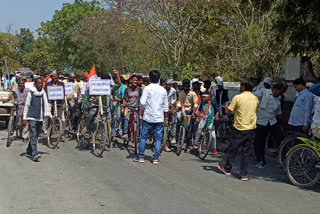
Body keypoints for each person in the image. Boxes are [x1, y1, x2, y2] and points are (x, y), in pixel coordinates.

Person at [218, 79, 259, 181]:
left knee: (233, 149)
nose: (240, 88)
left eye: (241, 86)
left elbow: (228, 112)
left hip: (240, 127)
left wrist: (226, 107)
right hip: (251, 128)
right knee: (246, 152)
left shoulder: (238, 97)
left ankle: (227, 168)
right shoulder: (255, 98)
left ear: (244, 87)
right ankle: (244, 174)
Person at [134, 70, 168, 164]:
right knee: (158, 138)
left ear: (149, 78)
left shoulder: (147, 89)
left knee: (143, 137)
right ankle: (155, 158)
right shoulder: (163, 90)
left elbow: (142, 102)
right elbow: (166, 106)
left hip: (148, 117)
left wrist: (142, 110)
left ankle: (141, 157)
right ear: (159, 78)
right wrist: (166, 118)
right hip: (159, 118)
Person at [253, 83, 284, 168]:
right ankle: (260, 160)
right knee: (259, 142)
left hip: (272, 121)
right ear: (275, 89)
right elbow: (253, 96)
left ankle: (283, 159)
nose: (279, 94)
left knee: (280, 138)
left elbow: (279, 112)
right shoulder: (264, 92)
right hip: (261, 121)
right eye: (279, 92)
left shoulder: (278, 99)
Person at [23, 78, 53, 161]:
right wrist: (24, 117)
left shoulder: (43, 93)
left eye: (41, 83)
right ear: (35, 84)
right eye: (39, 83)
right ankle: (34, 153)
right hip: (31, 116)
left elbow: (46, 105)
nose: (40, 85)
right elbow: (27, 105)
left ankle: (29, 150)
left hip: (40, 117)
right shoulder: (31, 93)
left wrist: (50, 116)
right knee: (33, 134)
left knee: (36, 135)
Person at [172, 79, 198, 149]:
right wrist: (175, 110)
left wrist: (193, 113)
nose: (186, 91)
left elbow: (195, 104)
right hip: (182, 110)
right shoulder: (181, 93)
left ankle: (188, 142)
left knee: (189, 128)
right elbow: (179, 103)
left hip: (190, 111)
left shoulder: (193, 94)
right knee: (177, 120)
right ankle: (175, 136)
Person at [44, 70, 66, 141]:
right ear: (51, 77)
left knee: (62, 119)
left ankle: (62, 133)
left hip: (59, 103)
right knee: (46, 116)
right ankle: (46, 130)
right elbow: (45, 93)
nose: (55, 78)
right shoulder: (47, 84)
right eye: (53, 77)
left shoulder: (61, 84)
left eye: (56, 77)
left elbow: (63, 93)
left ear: (58, 77)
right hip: (50, 102)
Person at [122, 75, 143, 140]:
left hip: (136, 108)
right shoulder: (127, 89)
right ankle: (125, 133)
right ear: (131, 81)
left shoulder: (139, 89)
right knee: (126, 118)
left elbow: (142, 98)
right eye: (134, 80)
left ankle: (138, 135)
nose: (135, 81)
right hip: (128, 107)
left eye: (136, 80)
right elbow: (125, 99)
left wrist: (141, 107)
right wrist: (124, 105)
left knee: (139, 121)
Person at [14, 79, 30, 143]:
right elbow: (12, 97)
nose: (21, 85)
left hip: (27, 109)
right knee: (20, 124)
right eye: (20, 84)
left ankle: (25, 137)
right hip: (19, 109)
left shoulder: (28, 91)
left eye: (22, 83)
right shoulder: (16, 91)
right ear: (18, 84)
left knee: (26, 124)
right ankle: (21, 135)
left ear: (24, 84)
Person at [163, 79, 176, 152]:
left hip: (169, 108)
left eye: (169, 85)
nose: (168, 86)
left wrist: (171, 103)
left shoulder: (173, 90)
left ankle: (173, 137)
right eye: (167, 85)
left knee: (173, 121)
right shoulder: (161, 89)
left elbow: (174, 99)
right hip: (161, 109)